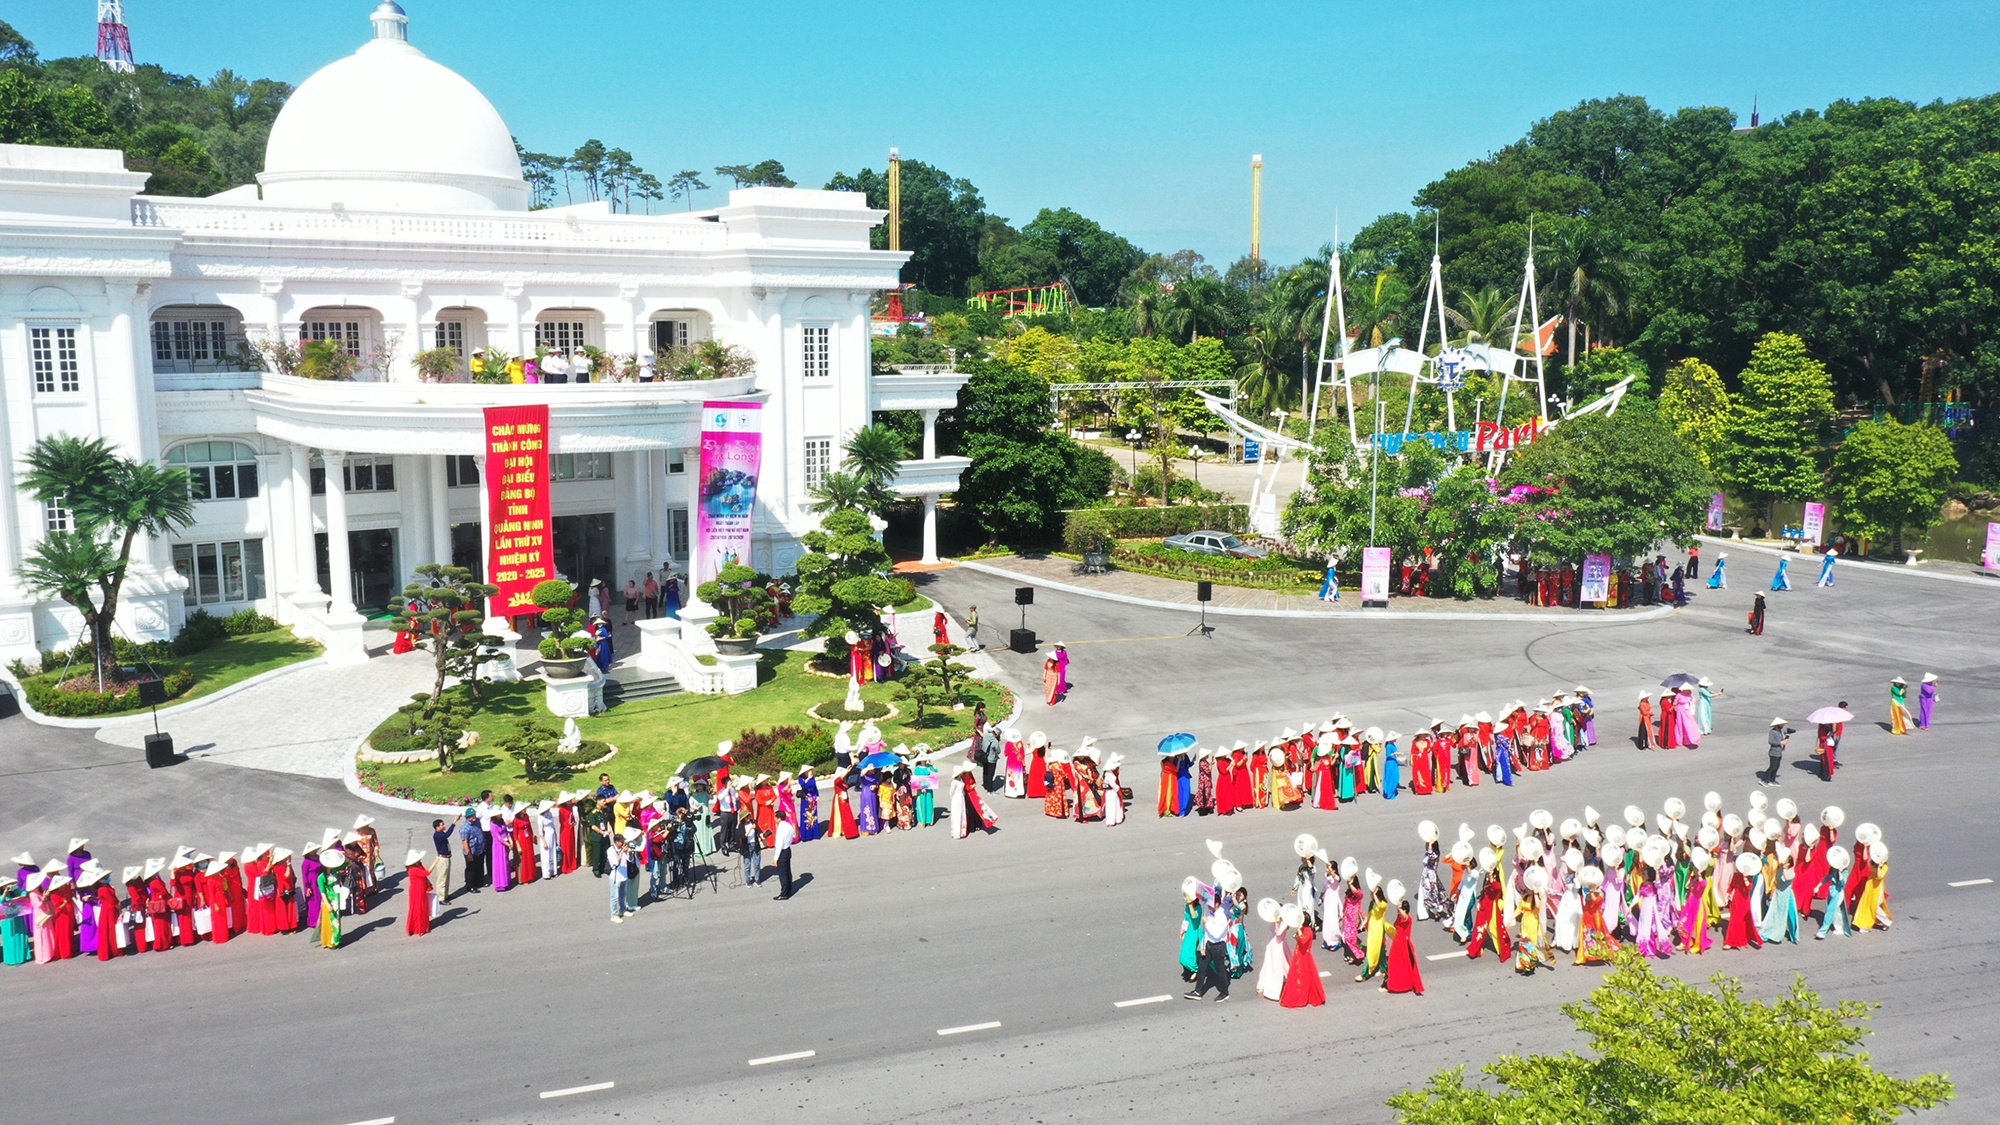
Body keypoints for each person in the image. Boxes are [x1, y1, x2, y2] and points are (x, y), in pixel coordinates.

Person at [1184, 884, 1234, 1003]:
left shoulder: (1222, 916)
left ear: (1217, 904)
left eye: (1211, 904)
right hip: (1209, 945)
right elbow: (1206, 932)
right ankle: (1198, 991)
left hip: (1218, 946)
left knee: (1220, 970)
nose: (1208, 906)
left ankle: (1225, 992)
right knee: (1202, 968)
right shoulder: (1210, 912)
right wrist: (1203, 945)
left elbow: (1217, 934)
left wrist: (1207, 923)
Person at [404, 849, 433, 936]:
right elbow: (427, 873)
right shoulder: (413, 869)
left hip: (420, 888)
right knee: (418, 908)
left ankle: (422, 926)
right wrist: (435, 863)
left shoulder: (418, 865)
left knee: (423, 907)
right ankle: (418, 928)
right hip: (416, 891)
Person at [771, 815, 797, 900]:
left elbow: (779, 845)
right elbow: (794, 834)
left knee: (783, 874)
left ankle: (784, 894)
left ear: (779, 818)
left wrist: (775, 858)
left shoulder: (781, 829)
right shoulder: (788, 825)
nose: (774, 819)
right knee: (787, 871)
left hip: (782, 852)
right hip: (788, 850)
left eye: (775, 817)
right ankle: (789, 890)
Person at [430, 817, 455, 901]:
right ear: (437, 827)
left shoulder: (441, 833)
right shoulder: (438, 835)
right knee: (442, 879)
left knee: (446, 878)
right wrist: (454, 822)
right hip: (442, 859)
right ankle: (441, 898)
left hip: (447, 858)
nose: (444, 826)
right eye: (442, 825)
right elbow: (448, 834)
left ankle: (445, 894)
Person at [1764, 718, 1792, 785]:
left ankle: (1772, 779)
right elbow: (1770, 741)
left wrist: (1786, 738)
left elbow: (1781, 739)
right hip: (1773, 752)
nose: (1782, 726)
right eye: (1781, 724)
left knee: (1777, 766)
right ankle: (1764, 779)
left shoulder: (1780, 731)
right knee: (1773, 766)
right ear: (1777, 725)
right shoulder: (1772, 732)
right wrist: (1780, 742)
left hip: (1779, 752)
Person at [738, 814, 761, 887]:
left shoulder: (753, 822)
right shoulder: (741, 826)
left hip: (755, 845)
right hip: (747, 847)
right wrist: (750, 829)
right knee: (747, 865)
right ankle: (748, 881)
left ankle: (757, 879)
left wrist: (760, 832)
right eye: (746, 817)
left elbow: (759, 831)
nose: (748, 818)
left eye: (749, 816)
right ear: (743, 818)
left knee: (757, 864)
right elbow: (743, 837)